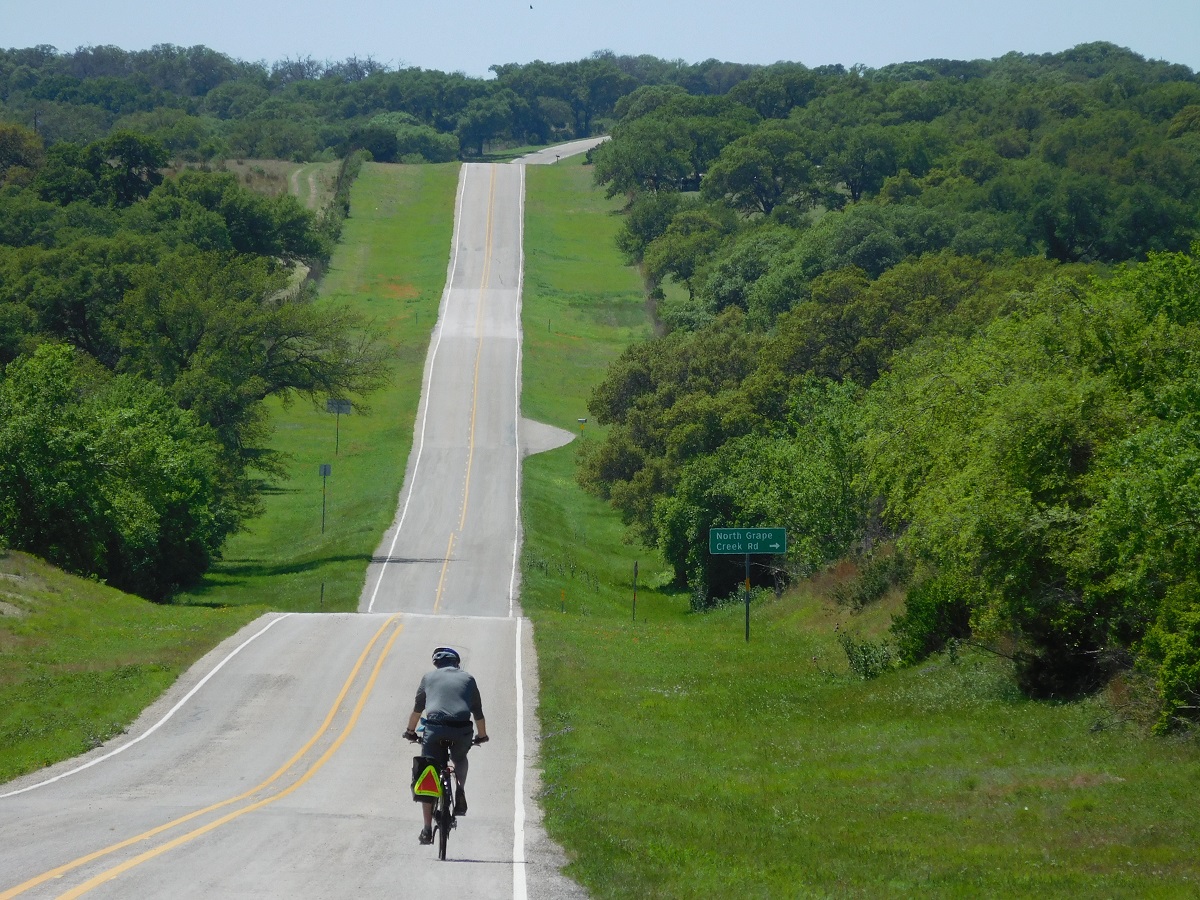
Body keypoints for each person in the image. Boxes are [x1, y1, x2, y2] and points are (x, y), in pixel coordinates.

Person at [403, 646, 488, 845]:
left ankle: (426, 829)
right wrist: (482, 736)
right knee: (459, 758)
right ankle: (460, 790)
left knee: (428, 770)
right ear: (456, 663)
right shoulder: (468, 679)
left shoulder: (428, 678)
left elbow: (417, 711)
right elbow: (478, 713)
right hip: (462, 730)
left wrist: (410, 732)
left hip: (434, 730)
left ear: (436, 664)